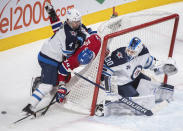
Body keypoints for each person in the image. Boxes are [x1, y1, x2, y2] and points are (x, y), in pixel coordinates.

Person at [22, 3, 96, 116]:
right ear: (68, 21)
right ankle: (29, 107)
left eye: (78, 21)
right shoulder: (69, 36)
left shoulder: (72, 25)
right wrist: (81, 42)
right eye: (74, 22)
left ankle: (43, 82)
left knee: (65, 79)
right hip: (49, 58)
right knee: (48, 85)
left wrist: (92, 35)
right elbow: (69, 54)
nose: (77, 23)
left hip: (52, 55)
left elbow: (81, 29)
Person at [95, 37, 178, 116]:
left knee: (149, 87)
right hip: (121, 83)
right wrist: (111, 91)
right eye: (128, 50)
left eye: (132, 52)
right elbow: (105, 71)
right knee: (135, 99)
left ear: (138, 51)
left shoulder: (144, 53)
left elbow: (151, 64)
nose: (129, 53)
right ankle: (104, 106)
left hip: (135, 77)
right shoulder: (119, 56)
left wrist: (162, 68)